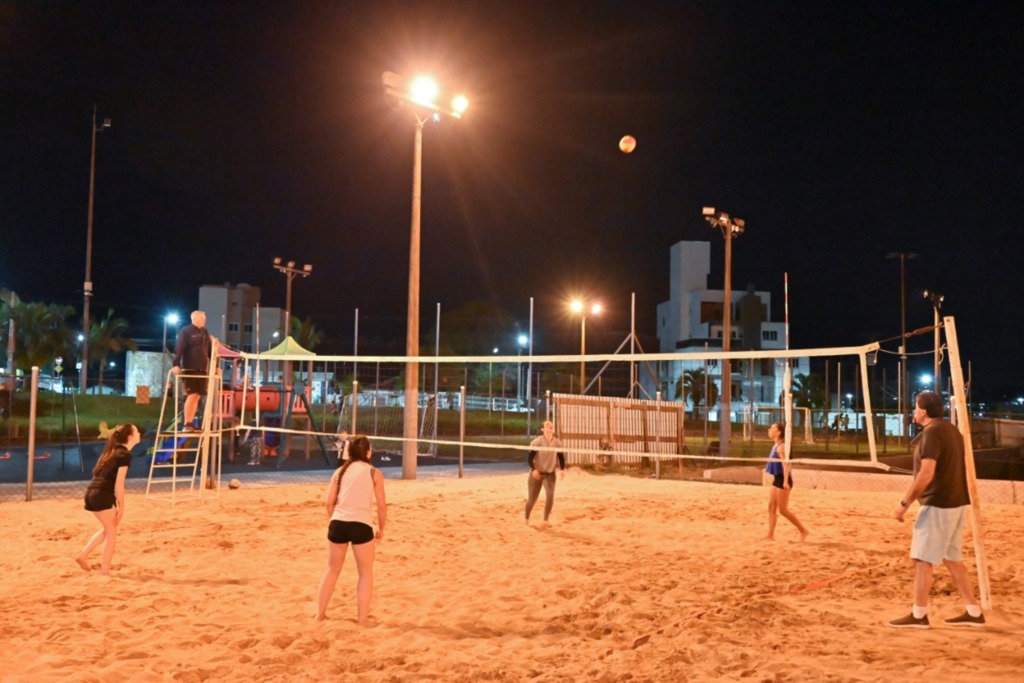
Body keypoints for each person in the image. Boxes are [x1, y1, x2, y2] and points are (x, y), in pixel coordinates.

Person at [888, 391, 985, 629]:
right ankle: (974, 612)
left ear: (923, 410)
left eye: (915, 407)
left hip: (939, 503)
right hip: (956, 502)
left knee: (922, 559)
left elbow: (927, 473)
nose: (913, 411)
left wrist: (904, 504)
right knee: (952, 558)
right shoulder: (951, 430)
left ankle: (919, 615)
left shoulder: (932, 432)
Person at [315, 434, 387, 624]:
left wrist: (335, 521)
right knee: (365, 573)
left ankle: (319, 615)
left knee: (331, 570)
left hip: (338, 523)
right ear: (369, 452)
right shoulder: (374, 472)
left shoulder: (339, 471)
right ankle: (362, 619)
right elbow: (381, 505)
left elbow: (328, 503)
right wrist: (381, 527)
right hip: (361, 524)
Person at [75, 423, 141, 575]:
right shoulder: (124, 455)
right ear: (130, 437)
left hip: (91, 494)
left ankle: (83, 556)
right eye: (137, 432)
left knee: (108, 528)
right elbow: (119, 485)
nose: (139, 434)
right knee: (111, 534)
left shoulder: (112, 452)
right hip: (102, 495)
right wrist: (122, 507)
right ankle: (105, 571)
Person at [764, 421, 809, 542]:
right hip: (777, 479)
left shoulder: (781, 446)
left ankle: (803, 531)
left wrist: (785, 482)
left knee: (783, 510)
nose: (769, 430)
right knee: (771, 507)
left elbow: (786, 465)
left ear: (778, 432)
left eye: (772, 428)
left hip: (783, 479)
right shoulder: (776, 445)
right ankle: (770, 535)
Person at [171, 310, 214, 431]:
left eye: (204, 319)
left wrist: (215, 367)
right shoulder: (186, 331)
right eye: (201, 319)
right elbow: (179, 347)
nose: (204, 321)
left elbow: (210, 351)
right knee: (192, 394)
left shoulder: (205, 332)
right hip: (189, 368)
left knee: (198, 396)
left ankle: (190, 422)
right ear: (194, 319)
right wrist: (176, 363)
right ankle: (187, 423)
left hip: (201, 370)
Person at [525, 420, 566, 525]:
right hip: (537, 473)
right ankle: (526, 518)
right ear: (543, 429)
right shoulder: (537, 442)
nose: (550, 426)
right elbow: (530, 458)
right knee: (532, 499)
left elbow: (561, 457)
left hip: (550, 474)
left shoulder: (557, 442)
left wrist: (562, 469)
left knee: (550, 495)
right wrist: (534, 470)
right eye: (547, 425)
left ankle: (545, 520)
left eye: (551, 425)